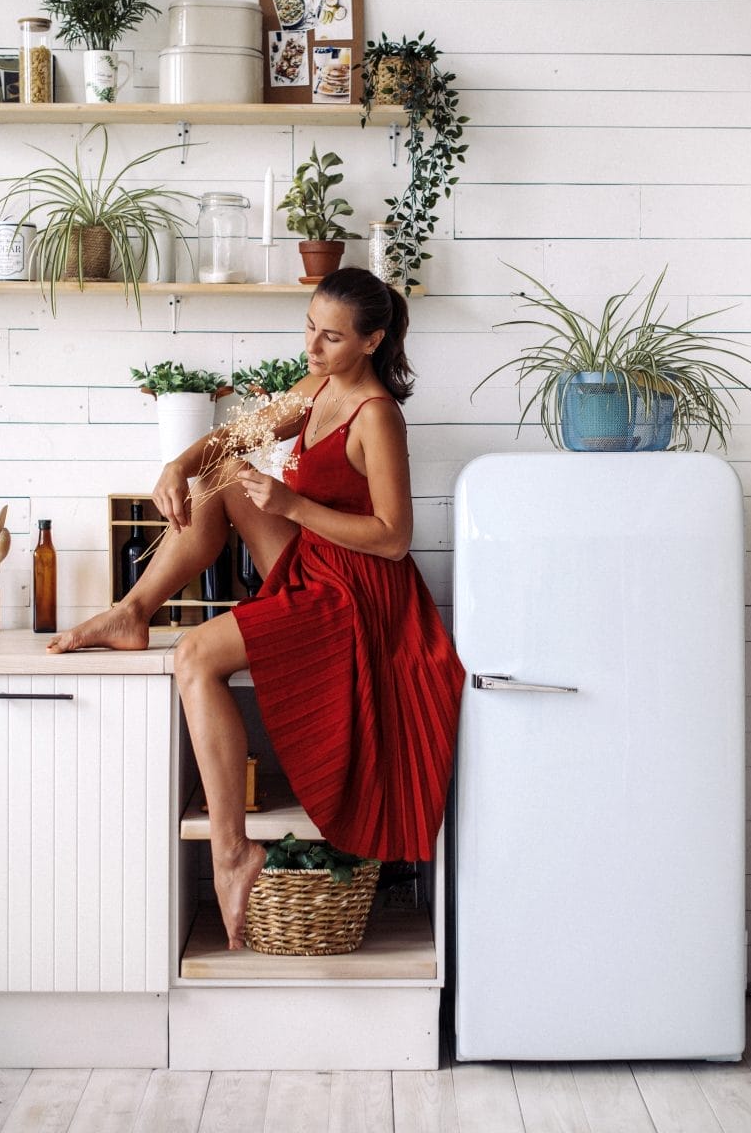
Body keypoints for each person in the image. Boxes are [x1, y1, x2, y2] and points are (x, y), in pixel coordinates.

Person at [48, 268, 465, 950]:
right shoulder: (320, 388)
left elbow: (393, 539)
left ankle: (232, 851)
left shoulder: (377, 414)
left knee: (194, 658)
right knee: (220, 482)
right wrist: (176, 468)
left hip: (359, 597)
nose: (314, 346)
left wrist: (293, 505)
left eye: (332, 337)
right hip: (322, 566)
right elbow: (238, 434)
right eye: (309, 327)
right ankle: (133, 611)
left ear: (372, 340)